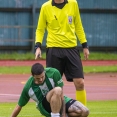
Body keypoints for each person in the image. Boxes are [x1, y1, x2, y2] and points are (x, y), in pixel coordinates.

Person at [35, 0, 89, 106]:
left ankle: (82, 112)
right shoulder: (45, 7)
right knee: (55, 87)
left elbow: (78, 25)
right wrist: (38, 46)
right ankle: (56, 113)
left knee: (80, 83)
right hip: (53, 49)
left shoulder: (73, 4)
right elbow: (40, 29)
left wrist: (84, 45)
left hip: (71, 48)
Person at [10, 63, 89, 117]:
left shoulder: (54, 73)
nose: (40, 79)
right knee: (57, 89)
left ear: (44, 71)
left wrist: (64, 114)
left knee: (85, 111)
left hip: (59, 98)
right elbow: (19, 106)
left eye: (42, 77)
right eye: (38, 78)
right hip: (44, 106)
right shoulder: (28, 87)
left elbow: (61, 94)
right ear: (32, 75)